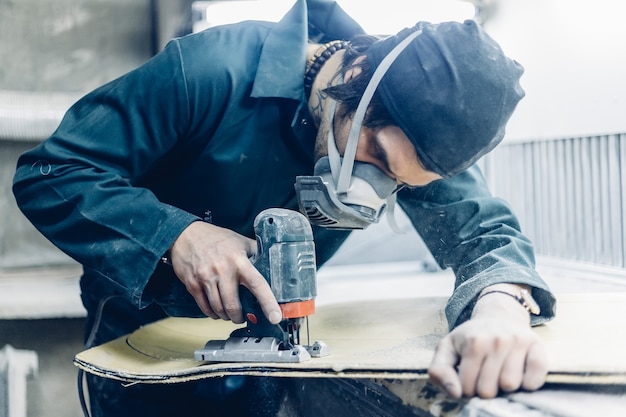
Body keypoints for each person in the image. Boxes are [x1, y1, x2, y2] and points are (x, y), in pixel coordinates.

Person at [13, 0, 556, 415]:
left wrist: (500, 309)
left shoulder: (417, 134)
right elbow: (52, 172)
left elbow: (484, 232)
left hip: (273, 348)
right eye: (373, 157)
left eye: (397, 182)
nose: (368, 190)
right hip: (140, 351)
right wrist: (178, 236)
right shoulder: (208, 73)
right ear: (355, 73)